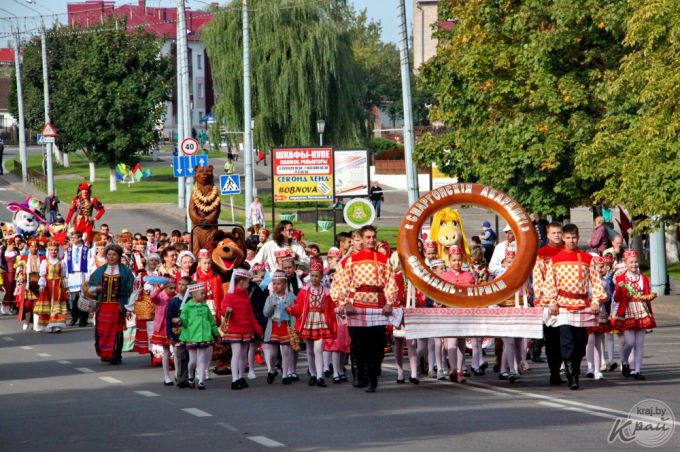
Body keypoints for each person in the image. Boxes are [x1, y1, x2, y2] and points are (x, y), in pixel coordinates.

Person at [330, 225, 399, 393]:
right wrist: (345, 302)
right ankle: (361, 375)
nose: (371, 240)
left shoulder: (383, 259)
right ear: (361, 238)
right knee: (359, 344)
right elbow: (340, 282)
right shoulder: (350, 260)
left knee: (378, 344)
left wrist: (390, 302)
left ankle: (373, 373)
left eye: (373, 237)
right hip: (358, 306)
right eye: (368, 237)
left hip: (377, 306)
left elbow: (391, 282)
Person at [542, 224, 606, 390]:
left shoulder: (586, 258)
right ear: (563, 238)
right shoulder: (555, 260)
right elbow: (550, 283)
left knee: (580, 341)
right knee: (567, 341)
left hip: (582, 304)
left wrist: (596, 300)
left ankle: (575, 366)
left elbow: (596, 281)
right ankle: (572, 376)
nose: (571, 241)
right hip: (563, 304)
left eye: (574, 237)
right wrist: (552, 301)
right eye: (568, 238)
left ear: (578, 238)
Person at [288, 260, 336, 388]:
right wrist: (291, 310)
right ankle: (313, 374)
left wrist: (334, 317)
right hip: (308, 320)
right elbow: (298, 306)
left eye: (317, 276)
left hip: (321, 321)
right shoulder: (304, 290)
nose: (314, 278)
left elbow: (331, 307)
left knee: (318, 349)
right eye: (312, 275)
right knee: (310, 350)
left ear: (321, 277)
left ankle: (320, 376)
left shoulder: (327, 291)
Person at [85, 244, 135, 365]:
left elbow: (132, 289)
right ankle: (104, 354)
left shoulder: (125, 271)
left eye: (114, 255)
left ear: (119, 256)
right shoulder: (100, 271)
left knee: (116, 331)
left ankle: (115, 355)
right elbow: (89, 287)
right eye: (109, 255)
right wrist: (98, 288)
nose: (111, 257)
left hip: (118, 306)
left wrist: (128, 307)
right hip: (103, 305)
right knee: (103, 331)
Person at [613, 250, 656, 380]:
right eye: (631, 262)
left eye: (636, 261)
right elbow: (616, 299)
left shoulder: (642, 277)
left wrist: (651, 300)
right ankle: (625, 361)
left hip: (641, 310)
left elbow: (646, 295)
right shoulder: (621, 278)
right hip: (627, 311)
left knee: (639, 343)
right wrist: (620, 288)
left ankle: (637, 370)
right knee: (630, 342)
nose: (634, 264)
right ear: (626, 263)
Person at [220, 268, 263, 390]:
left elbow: (250, 315)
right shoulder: (230, 295)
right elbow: (223, 310)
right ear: (241, 282)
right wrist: (227, 310)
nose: (249, 284)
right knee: (237, 353)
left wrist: (257, 329)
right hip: (234, 329)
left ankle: (240, 376)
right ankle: (234, 379)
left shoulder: (245, 296)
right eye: (248, 282)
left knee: (244, 355)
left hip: (246, 329)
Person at [441, 245, 476, 383]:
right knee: (452, 340)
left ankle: (461, 369)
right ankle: (453, 369)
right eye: (454, 260)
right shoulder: (444, 276)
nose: (457, 263)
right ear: (449, 260)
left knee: (461, 341)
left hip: (463, 312)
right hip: (449, 312)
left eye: (459, 260)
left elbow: (472, 294)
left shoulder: (468, 276)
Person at [178, 282, 220, 390]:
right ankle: (191, 376)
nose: (204, 295)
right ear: (193, 294)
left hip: (205, 337)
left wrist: (216, 334)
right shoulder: (187, 307)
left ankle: (201, 381)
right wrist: (179, 322)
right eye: (202, 293)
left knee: (202, 360)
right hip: (192, 337)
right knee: (192, 361)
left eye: (204, 293)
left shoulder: (205, 306)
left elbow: (211, 322)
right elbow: (184, 321)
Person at [263, 270, 298, 385]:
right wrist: (271, 307)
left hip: (285, 326)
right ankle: (272, 370)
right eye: (274, 284)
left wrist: (293, 328)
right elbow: (266, 313)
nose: (276, 286)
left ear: (284, 284)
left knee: (286, 351)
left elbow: (293, 314)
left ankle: (285, 374)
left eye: (278, 284)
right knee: (273, 353)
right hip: (273, 327)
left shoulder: (290, 298)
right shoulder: (270, 298)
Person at [34, 241, 68, 333]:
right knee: (48, 305)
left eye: (55, 250)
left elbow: (64, 275)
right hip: (48, 286)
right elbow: (42, 275)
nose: (54, 252)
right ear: (48, 250)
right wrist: (41, 285)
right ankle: (46, 324)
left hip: (58, 286)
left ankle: (56, 324)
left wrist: (65, 287)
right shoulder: (45, 262)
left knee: (57, 305)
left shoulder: (61, 263)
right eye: (52, 250)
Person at [150, 278, 176, 386]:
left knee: (177, 351)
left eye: (175, 288)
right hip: (163, 327)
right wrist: (160, 288)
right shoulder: (160, 297)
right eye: (171, 288)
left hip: (174, 326)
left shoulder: (175, 297)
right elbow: (152, 297)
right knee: (166, 351)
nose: (173, 290)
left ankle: (178, 374)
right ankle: (166, 376)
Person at [167, 276, 191, 387]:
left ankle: (190, 377)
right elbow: (169, 318)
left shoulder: (192, 301)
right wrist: (169, 333)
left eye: (183, 284)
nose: (180, 286)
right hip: (179, 333)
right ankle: (181, 378)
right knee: (181, 355)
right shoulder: (174, 301)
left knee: (191, 356)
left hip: (191, 333)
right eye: (179, 284)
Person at [64, 231, 91, 327]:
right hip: (72, 275)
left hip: (82, 274)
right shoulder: (69, 250)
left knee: (84, 298)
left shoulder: (86, 249)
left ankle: (83, 319)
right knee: (74, 298)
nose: (73, 240)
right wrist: (66, 276)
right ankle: (74, 317)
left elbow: (89, 262)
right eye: (72, 238)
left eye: (74, 237)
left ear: (80, 238)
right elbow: (65, 263)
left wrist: (88, 277)